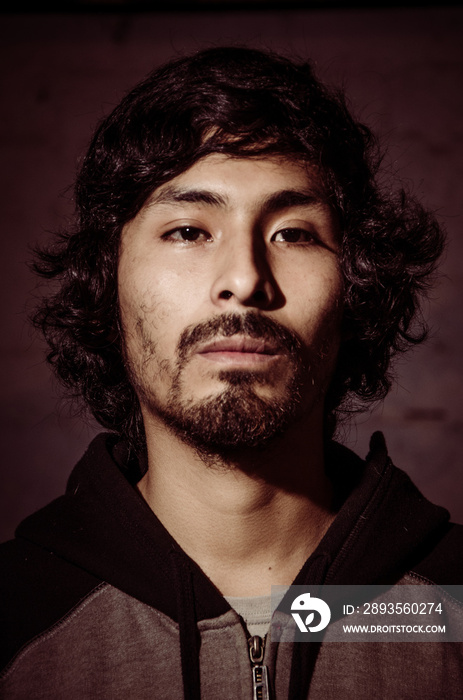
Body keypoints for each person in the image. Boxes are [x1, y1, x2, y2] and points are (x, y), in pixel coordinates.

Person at [1, 46, 462, 700]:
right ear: (109, 285)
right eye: (189, 231)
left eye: (293, 233)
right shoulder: (15, 618)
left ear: (354, 291)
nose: (244, 280)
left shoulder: (451, 605)